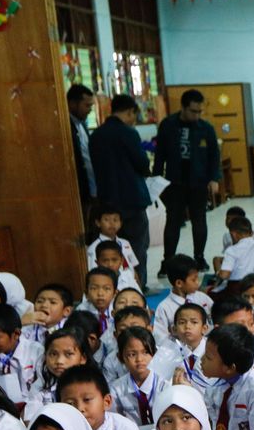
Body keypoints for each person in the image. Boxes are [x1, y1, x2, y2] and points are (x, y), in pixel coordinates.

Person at [154, 89, 220, 273]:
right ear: (183, 107)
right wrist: (156, 181)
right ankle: (167, 261)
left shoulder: (206, 128)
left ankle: (199, 257)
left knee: (199, 220)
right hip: (174, 182)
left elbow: (214, 155)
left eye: (200, 111)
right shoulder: (168, 125)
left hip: (198, 182)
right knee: (173, 221)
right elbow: (160, 155)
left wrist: (214, 178)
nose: (197, 115)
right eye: (193, 111)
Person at [90, 94, 152, 287]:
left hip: (107, 202)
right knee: (137, 247)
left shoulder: (96, 135)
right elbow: (142, 163)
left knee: (109, 248)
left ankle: (109, 286)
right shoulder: (128, 133)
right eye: (134, 115)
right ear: (129, 112)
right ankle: (138, 287)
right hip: (132, 200)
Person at [67, 83, 97, 215]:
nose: (90, 110)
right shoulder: (66, 126)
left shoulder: (82, 125)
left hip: (92, 190)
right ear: (73, 103)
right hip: (79, 192)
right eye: (87, 105)